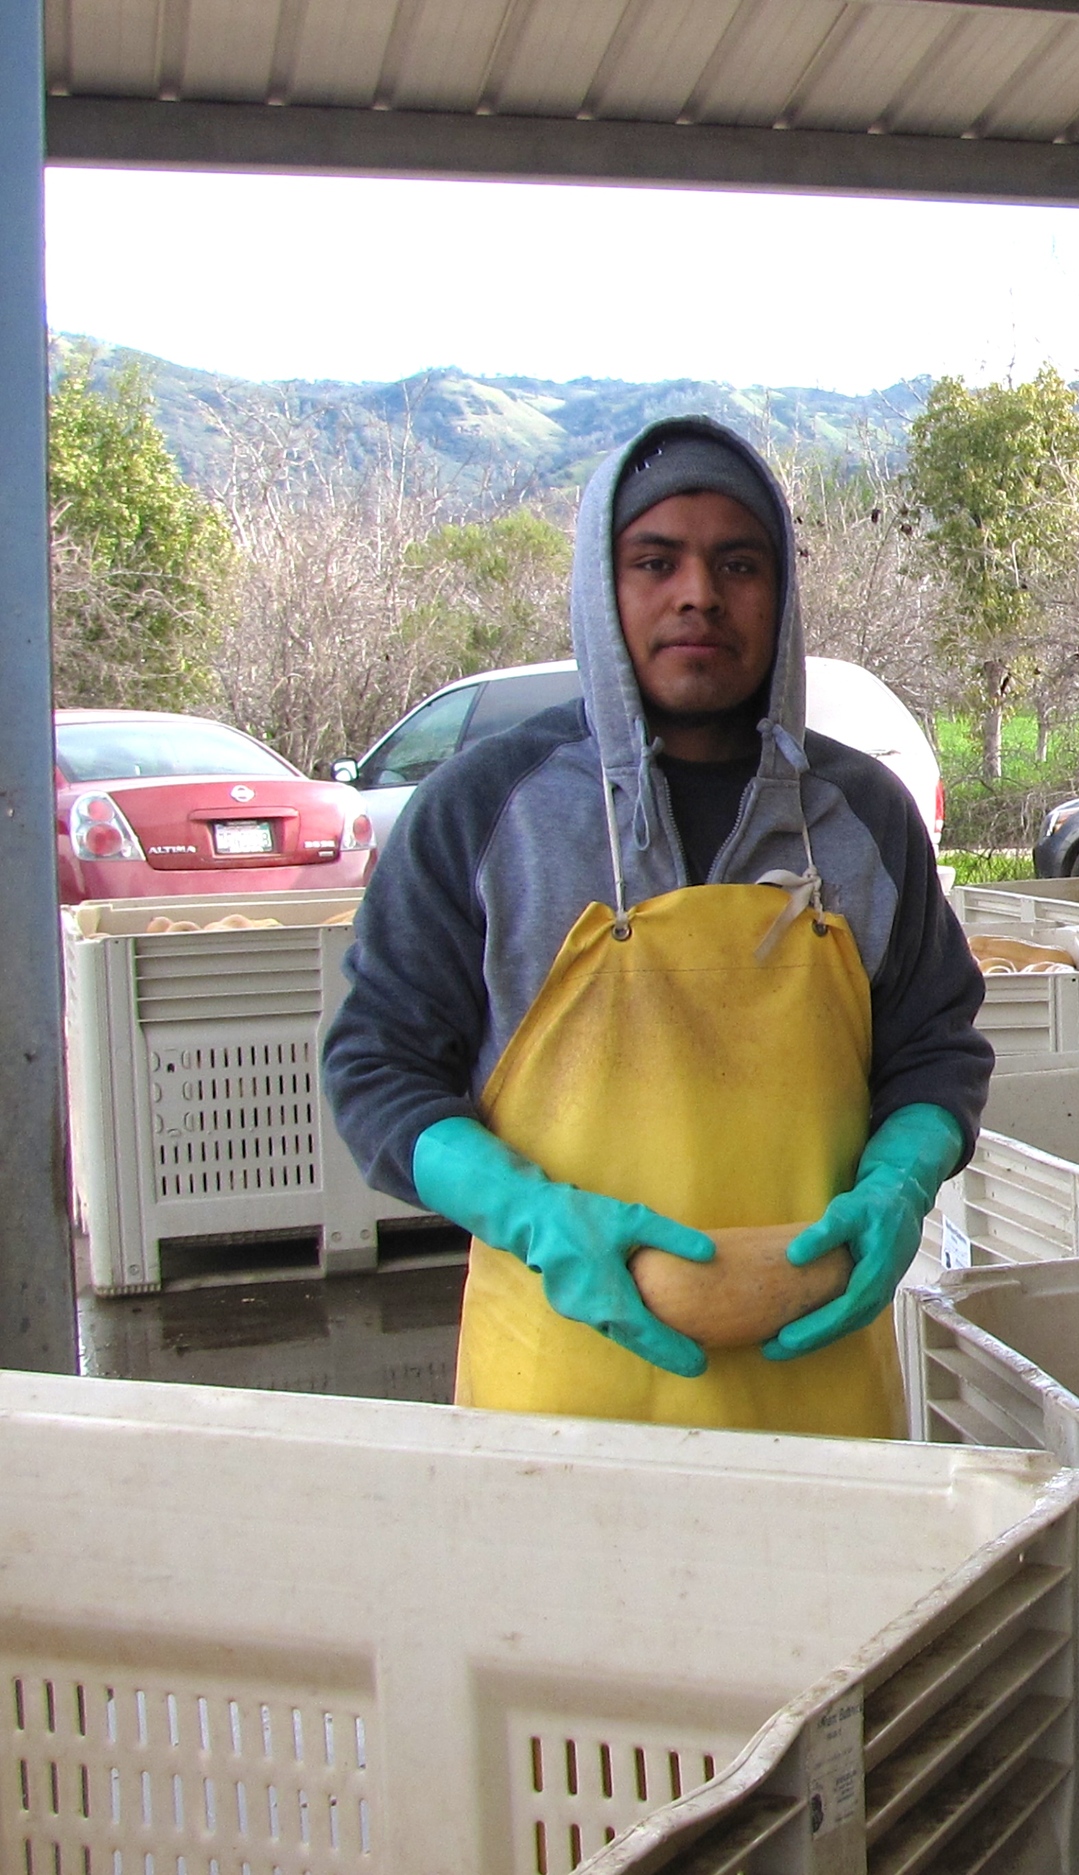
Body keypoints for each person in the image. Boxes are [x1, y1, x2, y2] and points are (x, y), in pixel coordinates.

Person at [323, 417, 991, 1437]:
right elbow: (377, 1067)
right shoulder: (483, 812)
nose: (699, 595)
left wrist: (902, 1181)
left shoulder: (863, 819)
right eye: (655, 561)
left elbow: (934, 1048)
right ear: (604, 587)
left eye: (738, 563)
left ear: (782, 594)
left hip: (816, 1398)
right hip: (556, 1399)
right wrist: (534, 1218)